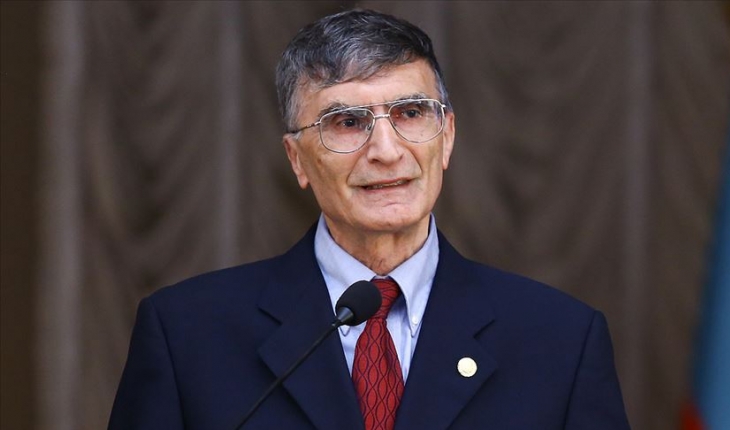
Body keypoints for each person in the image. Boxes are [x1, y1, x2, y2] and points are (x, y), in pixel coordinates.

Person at [109, 9, 630, 430]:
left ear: (447, 137)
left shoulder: (559, 340)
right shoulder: (188, 335)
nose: (386, 150)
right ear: (297, 160)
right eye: (347, 122)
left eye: (411, 113)